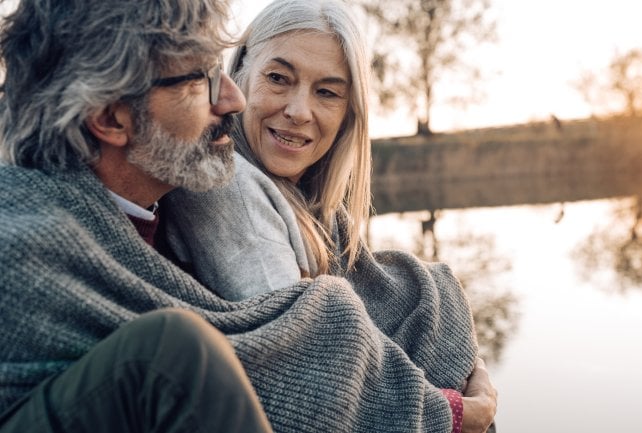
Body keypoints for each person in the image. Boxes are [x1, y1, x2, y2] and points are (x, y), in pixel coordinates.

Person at [0, 1, 495, 433]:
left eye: (328, 92)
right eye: (199, 79)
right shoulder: (28, 243)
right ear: (110, 118)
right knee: (174, 353)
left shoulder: (147, 216)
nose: (232, 99)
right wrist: (445, 415)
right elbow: (264, 362)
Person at [161, 0, 497, 431]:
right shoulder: (230, 187)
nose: (299, 111)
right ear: (239, 74)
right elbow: (307, 368)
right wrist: (452, 412)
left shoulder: (311, 205)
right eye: (278, 79)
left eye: (327, 92)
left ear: (348, 112)